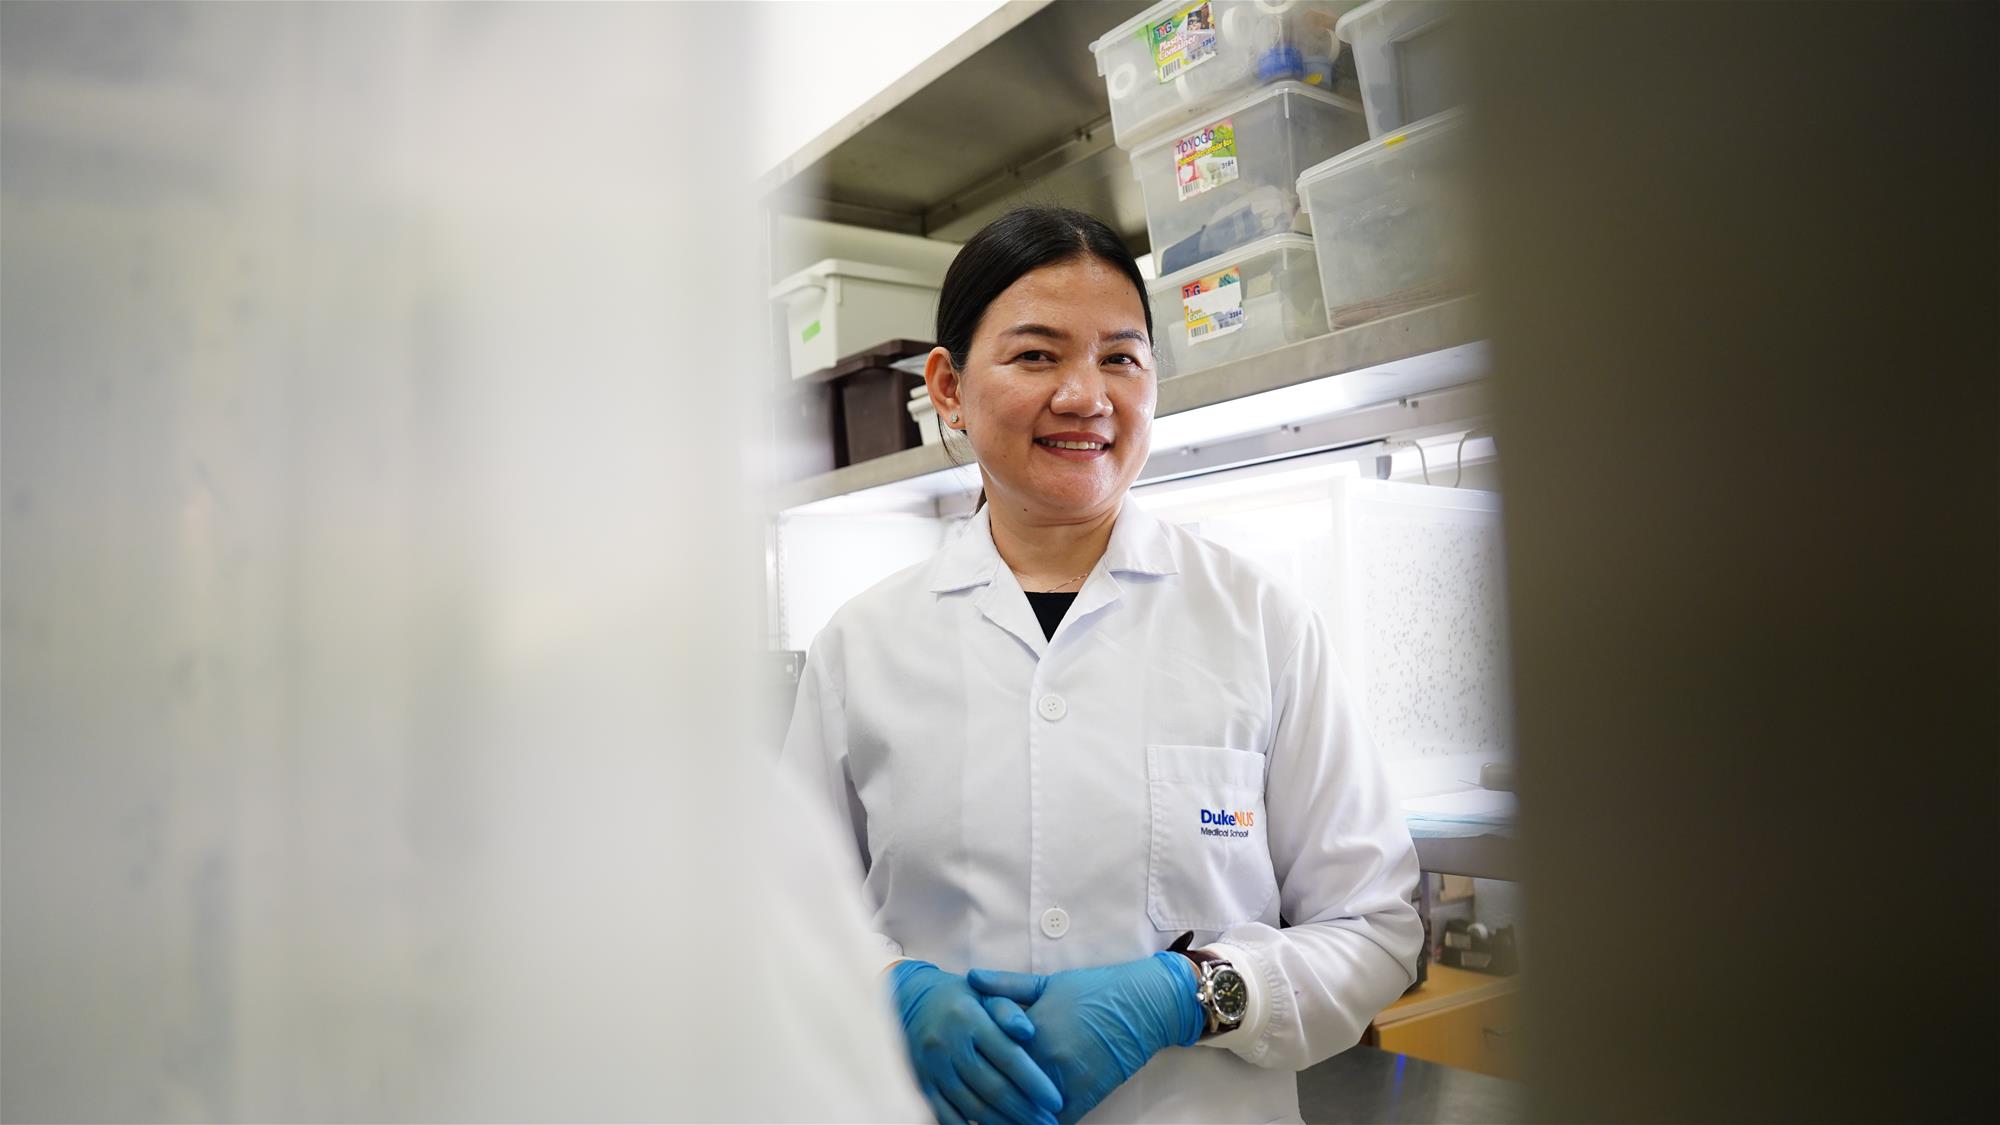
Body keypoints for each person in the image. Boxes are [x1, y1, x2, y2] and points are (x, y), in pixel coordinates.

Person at [781, 206, 1422, 1124]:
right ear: (949, 388)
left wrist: (1192, 992)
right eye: (1037, 355)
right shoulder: (863, 645)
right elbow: (783, 917)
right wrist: (888, 990)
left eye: (1120, 358)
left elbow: (1376, 927)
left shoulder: (1260, 622)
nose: (1086, 395)